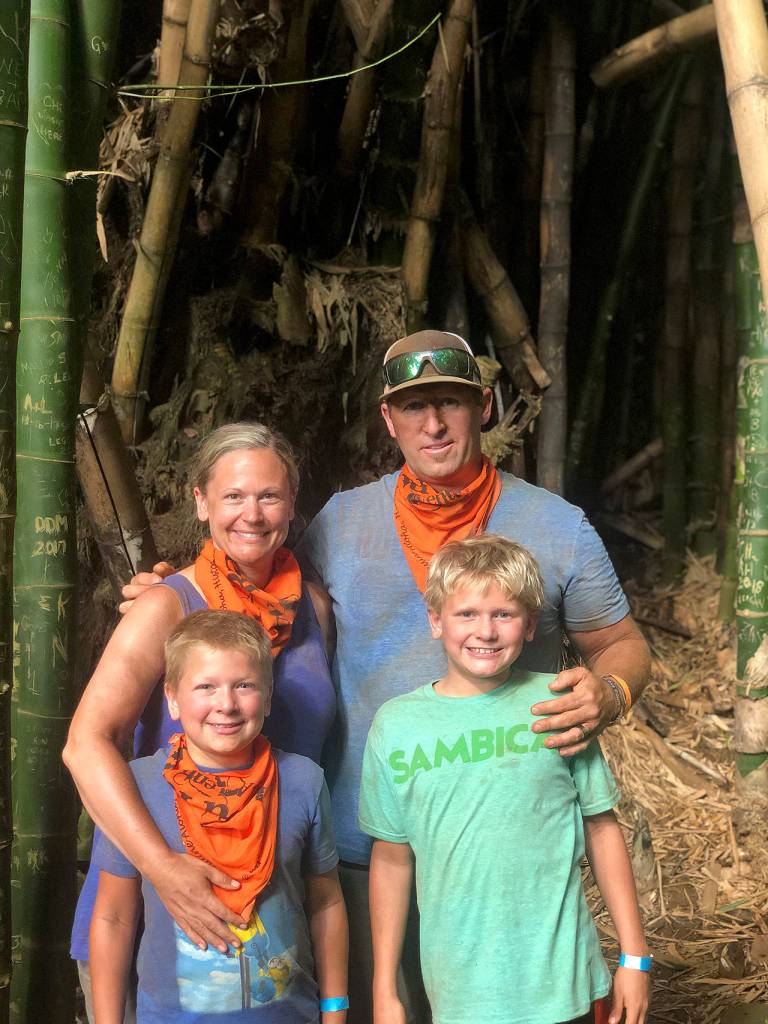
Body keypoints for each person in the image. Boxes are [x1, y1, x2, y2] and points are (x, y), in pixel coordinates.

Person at [122, 331, 650, 1021]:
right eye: (414, 407)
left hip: (506, 850)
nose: (434, 425)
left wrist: (610, 691)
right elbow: (262, 590)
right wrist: (173, 594)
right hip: (366, 848)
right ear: (388, 420)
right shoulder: (342, 523)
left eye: (450, 403)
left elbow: (621, 643)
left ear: (483, 407)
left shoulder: (558, 527)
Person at [64, 423, 337, 1020]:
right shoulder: (164, 605)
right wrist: (161, 869)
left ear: (292, 503)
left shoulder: (312, 609)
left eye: (269, 495)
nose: (251, 514)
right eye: (233, 496)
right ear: (201, 502)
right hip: (153, 917)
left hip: (273, 925)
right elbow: (85, 744)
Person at [359, 535, 650, 1024]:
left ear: (530, 623)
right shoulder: (396, 726)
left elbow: (601, 828)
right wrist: (385, 988)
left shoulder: (561, 706)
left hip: (568, 986)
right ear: (435, 620)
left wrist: (634, 957)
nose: (486, 631)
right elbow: (391, 859)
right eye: (467, 614)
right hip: (460, 994)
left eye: (504, 614)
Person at [89, 610, 348, 1024]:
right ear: (173, 699)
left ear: (267, 697)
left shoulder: (303, 780)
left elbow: (326, 903)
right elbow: (113, 917)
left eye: (244, 685)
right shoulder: (136, 786)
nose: (225, 705)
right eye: (205, 687)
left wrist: (335, 1010)